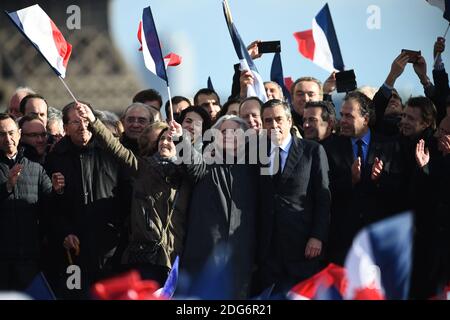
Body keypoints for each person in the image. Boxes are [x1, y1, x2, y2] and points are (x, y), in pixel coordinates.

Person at [76, 103, 192, 286]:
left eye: (171, 140)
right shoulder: (143, 167)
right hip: (145, 255)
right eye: (161, 139)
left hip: (175, 256)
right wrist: (93, 120)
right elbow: (116, 148)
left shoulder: (188, 174)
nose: (165, 142)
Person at [45, 102, 125, 297]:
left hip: (109, 249)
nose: (82, 126)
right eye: (75, 122)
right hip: (73, 252)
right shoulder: (54, 158)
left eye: (86, 121)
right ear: (65, 128)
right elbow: (49, 206)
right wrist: (64, 232)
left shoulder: (111, 152)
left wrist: (118, 228)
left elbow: (127, 192)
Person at [323, 91, 409, 265]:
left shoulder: (389, 146)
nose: (343, 121)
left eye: (349, 116)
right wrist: (350, 180)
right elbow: (324, 189)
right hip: (342, 242)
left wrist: (379, 180)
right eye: (342, 115)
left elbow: (401, 190)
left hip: (379, 238)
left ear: (366, 119)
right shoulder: (330, 147)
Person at [180, 115, 260, 299]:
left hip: (242, 258)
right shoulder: (204, 163)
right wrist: (179, 137)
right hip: (204, 256)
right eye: (224, 132)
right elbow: (190, 162)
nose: (229, 135)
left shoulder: (256, 168)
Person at [257, 99, 331, 293]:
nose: (274, 125)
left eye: (279, 119)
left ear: (290, 122)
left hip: (302, 248)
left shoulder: (312, 151)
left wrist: (317, 236)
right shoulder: (255, 153)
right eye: (268, 121)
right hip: (267, 252)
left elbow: (323, 199)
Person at [0, 113, 64, 291]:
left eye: (11, 133)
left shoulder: (35, 167)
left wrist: (58, 191)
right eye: (1, 134)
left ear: (19, 134)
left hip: (30, 258)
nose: (8, 138)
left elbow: (50, 208)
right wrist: (7, 187)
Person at [409, 116, 450, 299]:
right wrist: (424, 168)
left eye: (443, 132)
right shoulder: (436, 160)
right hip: (432, 248)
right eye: (439, 130)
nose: (437, 135)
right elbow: (423, 199)